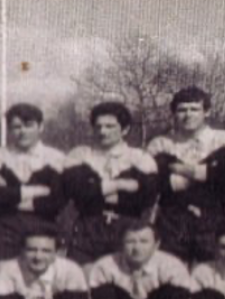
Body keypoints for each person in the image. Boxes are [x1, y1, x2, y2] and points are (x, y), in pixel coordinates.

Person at [147, 87, 225, 264]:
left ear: (207, 112)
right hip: (172, 220)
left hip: (213, 218)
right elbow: (157, 183)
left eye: (194, 109)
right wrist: (207, 174)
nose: (188, 115)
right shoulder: (161, 143)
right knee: (172, 276)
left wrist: (177, 169)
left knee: (213, 277)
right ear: (174, 113)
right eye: (182, 110)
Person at [62, 102, 158, 268]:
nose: (103, 131)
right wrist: (121, 184)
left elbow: (146, 198)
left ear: (125, 129)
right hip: (88, 226)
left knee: (122, 282)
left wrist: (98, 190)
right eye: (98, 126)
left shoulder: (140, 157)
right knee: (82, 282)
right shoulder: (80, 155)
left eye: (110, 126)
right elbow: (78, 191)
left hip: (127, 227)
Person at [0, 103, 67, 262]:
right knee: (1, 280)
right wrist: (35, 191)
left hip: (43, 227)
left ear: (41, 127)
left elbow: (57, 200)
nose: (22, 132)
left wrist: (10, 195)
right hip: (3, 228)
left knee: (40, 281)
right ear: (9, 129)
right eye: (16, 127)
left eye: (29, 125)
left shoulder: (56, 158)